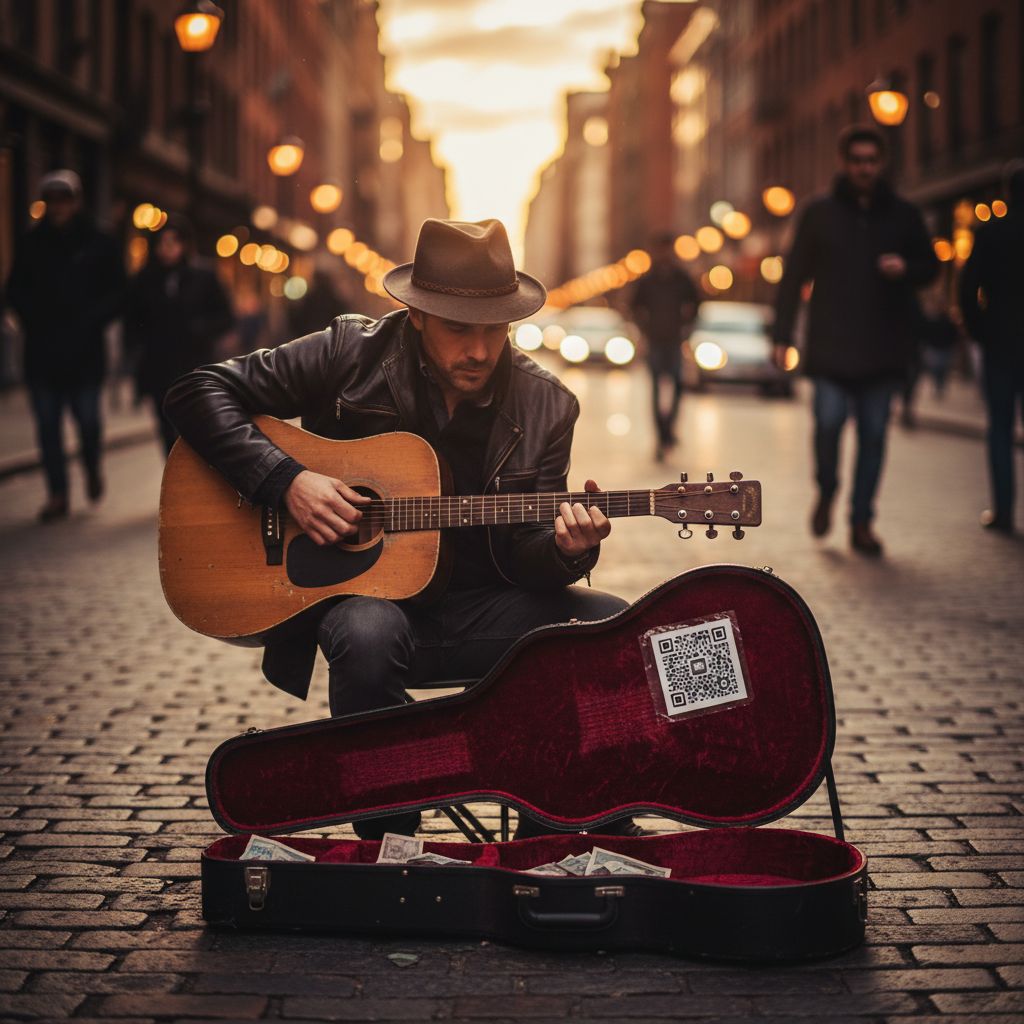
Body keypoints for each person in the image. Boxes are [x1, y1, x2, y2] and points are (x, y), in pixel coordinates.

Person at [164, 218, 634, 840]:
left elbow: (526, 557)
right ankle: (391, 845)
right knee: (366, 633)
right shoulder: (348, 352)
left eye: (495, 330)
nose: (479, 350)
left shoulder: (547, 405)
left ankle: (555, 825)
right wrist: (286, 481)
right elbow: (198, 390)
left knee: (610, 625)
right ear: (415, 316)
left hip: (479, 607)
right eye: (458, 329)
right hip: (368, 602)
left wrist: (566, 551)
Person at [772, 126, 939, 555]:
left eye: (871, 160)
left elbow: (931, 267)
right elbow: (793, 278)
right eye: (857, 160)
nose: (865, 168)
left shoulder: (903, 214)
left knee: (874, 436)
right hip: (831, 349)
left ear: (880, 163)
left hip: (884, 350)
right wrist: (782, 335)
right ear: (844, 164)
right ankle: (827, 489)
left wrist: (906, 266)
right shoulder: (818, 213)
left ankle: (862, 521)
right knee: (827, 424)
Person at [5, 170, 125, 521]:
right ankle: (57, 493)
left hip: (85, 354)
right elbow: (14, 289)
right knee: (47, 427)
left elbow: (118, 292)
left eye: (64, 199)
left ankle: (91, 466)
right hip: (42, 354)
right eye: (52, 200)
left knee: (88, 421)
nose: (58, 207)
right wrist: (32, 318)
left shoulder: (99, 242)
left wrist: (92, 319)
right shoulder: (32, 242)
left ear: (76, 201)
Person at [124, 214, 234, 455]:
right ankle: (176, 479)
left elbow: (225, 316)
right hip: (158, 365)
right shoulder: (145, 279)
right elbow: (132, 320)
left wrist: (200, 329)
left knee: (196, 425)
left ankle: (194, 478)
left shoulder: (203, 277)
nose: (168, 249)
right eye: (162, 243)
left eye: (173, 242)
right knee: (166, 427)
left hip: (194, 364)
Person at [959, 164, 1024, 534]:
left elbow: (968, 291)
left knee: (1000, 430)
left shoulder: (991, 233)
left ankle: (1003, 512)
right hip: (1002, 341)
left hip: (1000, 344)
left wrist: (980, 332)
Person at [631, 233, 699, 461]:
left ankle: (668, 429)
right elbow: (634, 307)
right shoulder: (647, 280)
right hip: (656, 342)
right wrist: (645, 329)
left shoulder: (682, 278)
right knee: (656, 390)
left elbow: (696, 304)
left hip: (674, 341)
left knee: (678, 385)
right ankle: (663, 435)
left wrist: (686, 328)